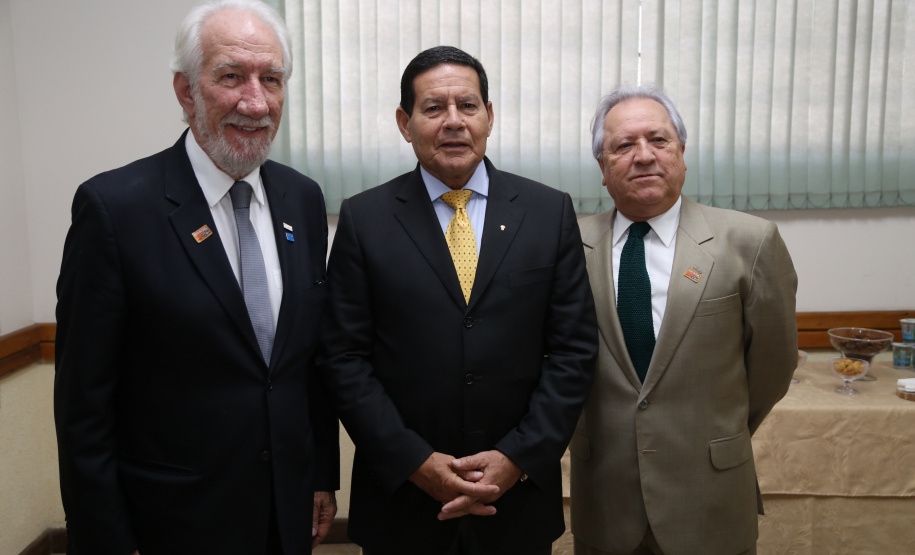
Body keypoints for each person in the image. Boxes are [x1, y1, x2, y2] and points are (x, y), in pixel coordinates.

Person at [54, 1, 338, 553]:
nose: (255, 102)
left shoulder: (301, 199)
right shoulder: (115, 209)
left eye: (271, 79)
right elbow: (83, 408)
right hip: (171, 521)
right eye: (231, 76)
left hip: (286, 512)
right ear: (186, 91)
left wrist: (320, 473)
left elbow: (307, 362)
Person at [318, 45, 598, 555]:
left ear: (489, 117)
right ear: (405, 123)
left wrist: (516, 458)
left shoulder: (548, 212)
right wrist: (414, 463)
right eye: (433, 108)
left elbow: (574, 352)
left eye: (467, 106)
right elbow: (344, 359)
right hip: (402, 500)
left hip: (517, 501)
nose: (453, 121)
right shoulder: (364, 220)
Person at [569, 85, 798, 555]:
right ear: (602, 166)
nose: (644, 156)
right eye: (624, 145)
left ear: (682, 153)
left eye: (659, 140)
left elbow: (773, 367)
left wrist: (714, 429)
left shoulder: (750, 242)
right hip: (605, 499)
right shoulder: (567, 246)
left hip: (709, 495)